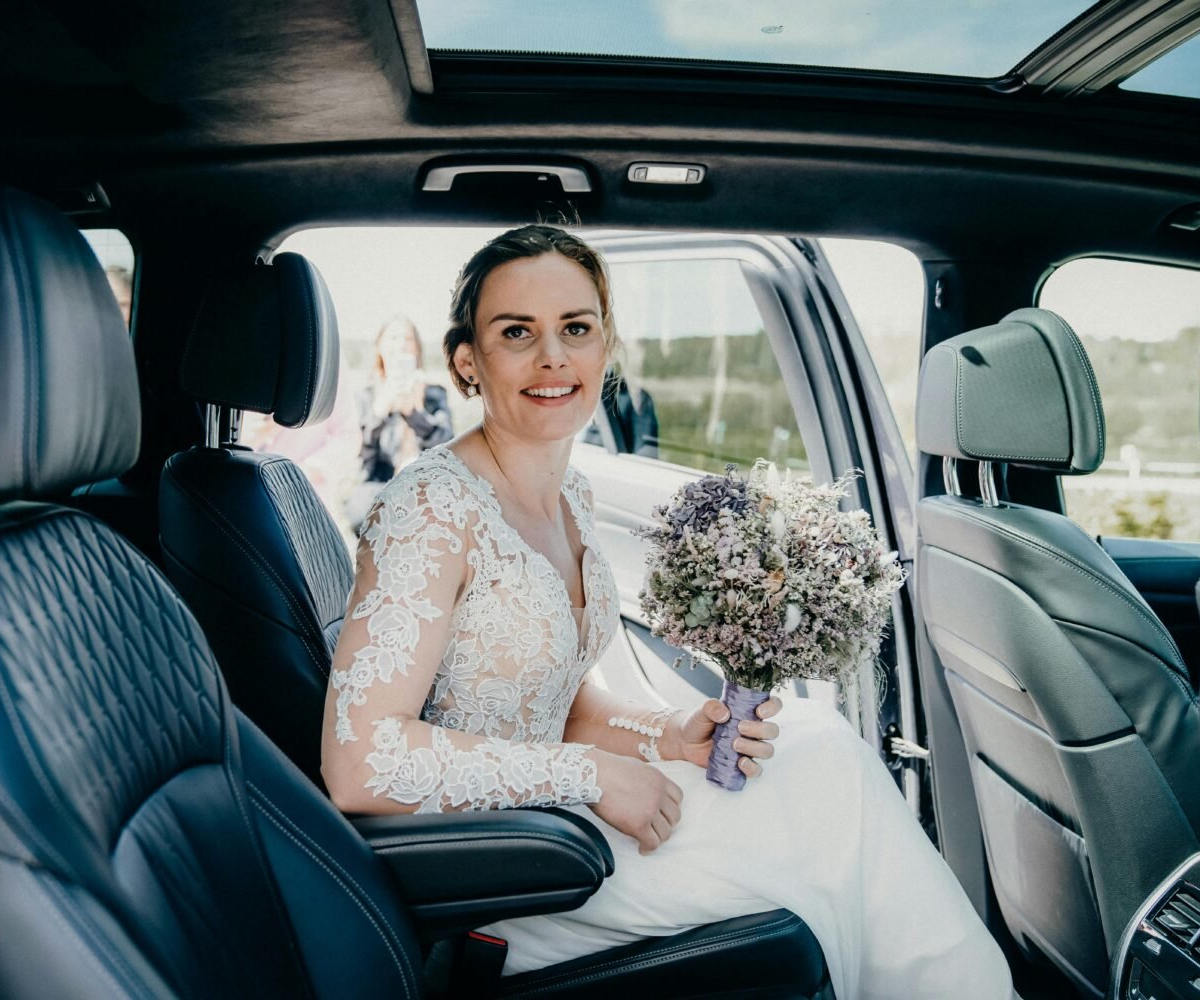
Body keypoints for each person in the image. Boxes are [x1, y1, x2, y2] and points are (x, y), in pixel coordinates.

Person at [320, 226, 1015, 999]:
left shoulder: (571, 496)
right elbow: (360, 763)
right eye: (517, 332)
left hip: (556, 819)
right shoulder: (429, 509)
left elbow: (555, 704)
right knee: (833, 807)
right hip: (508, 870)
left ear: (605, 347)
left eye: (576, 328)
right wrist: (590, 775)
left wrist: (673, 735)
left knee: (821, 748)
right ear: (466, 361)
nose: (552, 357)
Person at [345, 315, 454, 533]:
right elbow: (362, 458)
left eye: (408, 338)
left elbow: (447, 446)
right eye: (393, 338)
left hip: (426, 482)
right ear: (380, 347)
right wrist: (379, 412)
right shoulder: (366, 397)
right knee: (364, 512)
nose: (402, 344)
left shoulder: (434, 394)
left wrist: (414, 413)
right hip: (379, 483)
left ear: (417, 349)